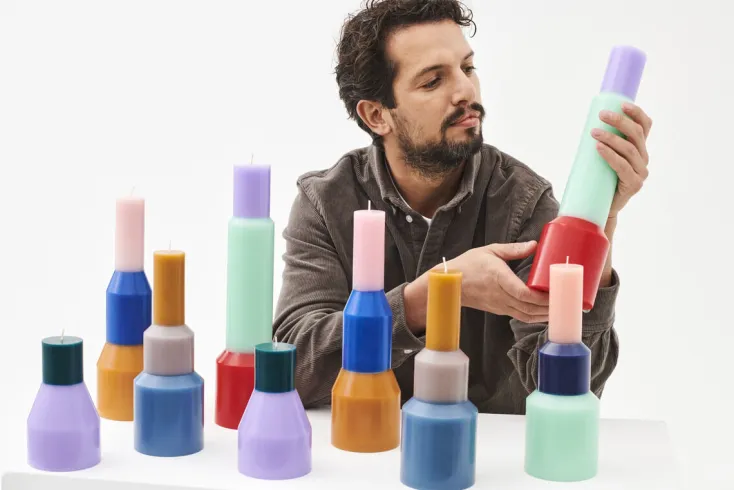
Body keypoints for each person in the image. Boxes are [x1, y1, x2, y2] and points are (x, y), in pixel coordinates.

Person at [272, 0, 652, 414]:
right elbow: (294, 366)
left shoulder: (523, 202)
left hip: (489, 453)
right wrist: (433, 294)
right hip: (362, 446)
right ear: (377, 115)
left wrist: (602, 218)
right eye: (433, 81)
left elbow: (571, 387)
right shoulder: (327, 202)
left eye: (467, 68)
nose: (466, 91)